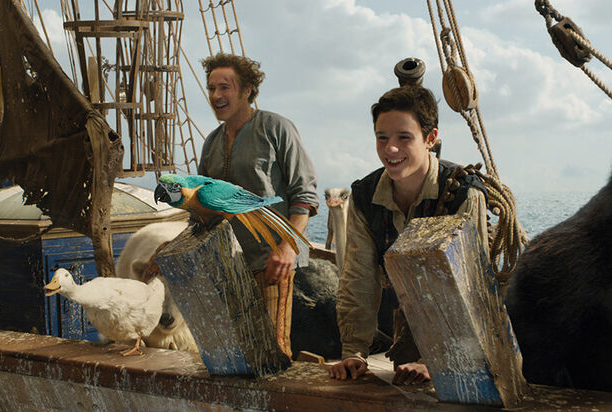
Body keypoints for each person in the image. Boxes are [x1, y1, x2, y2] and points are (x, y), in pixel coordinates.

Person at [328, 85, 489, 384]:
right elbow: (358, 279)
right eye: (382, 138)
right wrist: (354, 352)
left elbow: (471, 288)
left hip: (466, 341)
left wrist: (436, 361)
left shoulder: (462, 195)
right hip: (411, 331)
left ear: (430, 139)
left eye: (404, 137)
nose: (391, 149)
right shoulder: (365, 197)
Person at [198, 53, 319, 358]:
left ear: (247, 90)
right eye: (211, 88)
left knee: (272, 352)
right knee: (236, 354)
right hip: (227, 266)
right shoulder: (211, 143)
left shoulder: (276, 127)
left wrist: (288, 247)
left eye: (224, 87)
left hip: (272, 262)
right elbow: (204, 207)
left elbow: (304, 195)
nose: (216, 95)